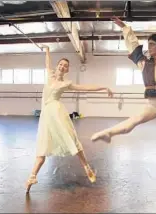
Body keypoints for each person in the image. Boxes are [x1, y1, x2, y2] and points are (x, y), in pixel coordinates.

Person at [26, 45, 113, 193]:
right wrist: (47, 50)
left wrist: (103, 87)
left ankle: (87, 167)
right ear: (57, 66)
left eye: (65, 66)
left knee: (72, 139)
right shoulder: (49, 76)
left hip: (58, 113)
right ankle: (32, 176)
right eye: (60, 64)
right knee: (43, 145)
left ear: (67, 70)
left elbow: (85, 88)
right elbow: (47, 62)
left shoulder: (66, 83)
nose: (62, 66)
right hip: (46, 115)